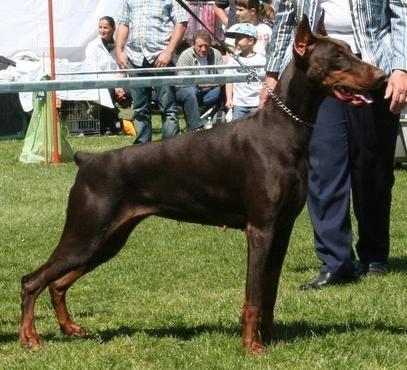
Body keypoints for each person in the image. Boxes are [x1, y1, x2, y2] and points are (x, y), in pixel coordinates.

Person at [260, 0, 407, 289]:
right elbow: (287, 18)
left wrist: (402, 68)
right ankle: (336, 262)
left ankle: (374, 256)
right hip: (321, 74)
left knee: (372, 169)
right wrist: (272, 74)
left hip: (373, 64)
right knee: (324, 168)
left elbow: (402, 10)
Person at [115, 1, 189, 143]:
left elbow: (181, 23)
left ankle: (169, 148)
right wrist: (119, 51)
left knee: (168, 107)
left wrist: (169, 52)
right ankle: (142, 148)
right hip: (135, 56)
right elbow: (123, 24)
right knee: (139, 108)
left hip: (161, 57)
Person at [85, 16, 128, 135]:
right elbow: (93, 71)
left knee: (131, 92)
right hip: (99, 84)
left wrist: (119, 86)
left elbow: (122, 69)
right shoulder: (92, 46)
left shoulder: (120, 47)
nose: (102, 30)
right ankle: (112, 125)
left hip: (117, 85)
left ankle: (115, 124)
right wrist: (113, 85)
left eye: (105, 28)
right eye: (100, 27)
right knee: (107, 92)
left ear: (113, 29)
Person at [175, 29, 224, 131]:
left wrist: (212, 84)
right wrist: (213, 83)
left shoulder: (216, 54)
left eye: (206, 45)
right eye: (200, 46)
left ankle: (221, 123)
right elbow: (185, 83)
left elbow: (222, 78)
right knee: (190, 91)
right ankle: (196, 128)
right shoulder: (186, 55)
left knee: (227, 89)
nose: (203, 49)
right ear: (193, 44)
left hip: (208, 93)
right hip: (186, 92)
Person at [224, 23, 266, 120]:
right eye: (235, 38)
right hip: (239, 104)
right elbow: (229, 80)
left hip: (256, 103)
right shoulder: (234, 60)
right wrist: (229, 98)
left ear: (251, 41)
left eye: (239, 38)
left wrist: (263, 99)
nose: (236, 41)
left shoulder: (261, 60)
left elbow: (265, 81)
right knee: (236, 131)